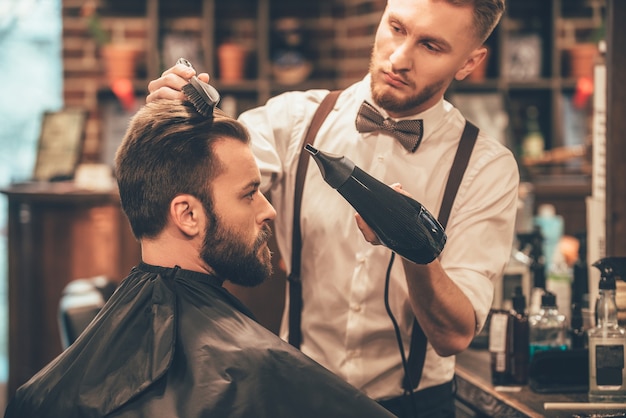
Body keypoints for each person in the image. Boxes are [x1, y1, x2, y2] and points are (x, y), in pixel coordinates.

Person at [147, 0, 518, 416]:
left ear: (469, 62)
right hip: (295, 397)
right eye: (396, 27)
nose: (399, 58)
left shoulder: (486, 167)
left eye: (431, 46)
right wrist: (175, 121)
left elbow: (454, 336)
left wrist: (417, 248)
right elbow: (200, 185)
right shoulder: (293, 120)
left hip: (414, 406)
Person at [4, 99, 394, 418]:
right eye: (249, 193)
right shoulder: (252, 368)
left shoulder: (38, 395)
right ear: (188, 215)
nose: (268, 210)